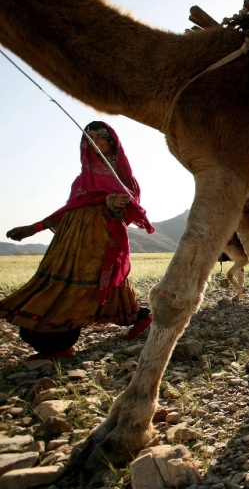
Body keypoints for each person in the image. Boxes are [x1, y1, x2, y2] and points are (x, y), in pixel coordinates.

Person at [0, 121, 155, 360]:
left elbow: (126, 213)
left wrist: (113, 207)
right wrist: (34, 228)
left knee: (83, 287)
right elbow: (71, 208)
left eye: (99, 136)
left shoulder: (121, 176)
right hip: (70, 240)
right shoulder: (83, 178)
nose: (94, 141)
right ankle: (139, 317)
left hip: (99, 238)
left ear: (112, 141)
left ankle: (57, 342)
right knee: (69, 284)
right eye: (88, 137)